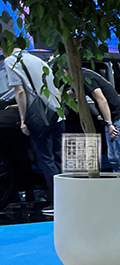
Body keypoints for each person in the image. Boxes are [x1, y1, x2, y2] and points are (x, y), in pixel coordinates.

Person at [4, 43, 63, 212]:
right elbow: (56, 90)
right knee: (60, 160)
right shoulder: (38, 60)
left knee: (46, 160)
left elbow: (20, 92)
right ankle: (67, 201)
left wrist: (23, 120)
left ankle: (57, 203)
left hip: (39, 118)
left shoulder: (11, 61)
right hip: (57, 114)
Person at [81, 68, 120, 177]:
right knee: (114, 159)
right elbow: (74, 93)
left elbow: (102, 100)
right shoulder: (87, 75)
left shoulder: (86, 77)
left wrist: (109, 123)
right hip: (113, 121)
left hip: (118, 120)